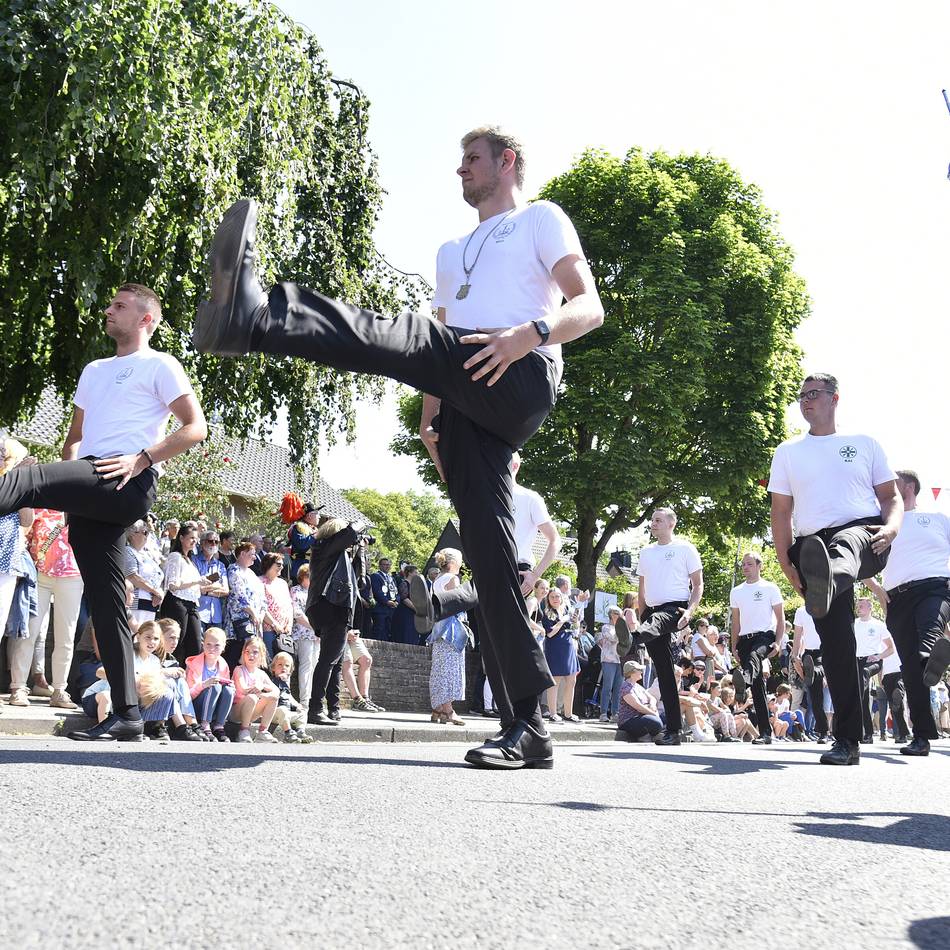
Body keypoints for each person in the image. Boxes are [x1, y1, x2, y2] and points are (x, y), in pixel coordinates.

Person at [193, 126, 603, 769]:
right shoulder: (451, 251)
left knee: (405, 333)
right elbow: (433, 349)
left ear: (508, 162)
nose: (461, 169)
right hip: (465, 399)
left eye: (472, 159)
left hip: (520, 371)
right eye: (460, 160)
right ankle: (529, 725)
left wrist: (529, 335)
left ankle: (259, 317)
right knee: (491, 562)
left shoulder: (541, 220)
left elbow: (589, 306)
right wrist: (431, 423)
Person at [0, 286, 207, 741]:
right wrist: (72, 488)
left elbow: (196, 427)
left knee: (27, 479)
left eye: (119, 306)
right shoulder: (94, 371)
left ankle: (129, 712)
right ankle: (130, 713)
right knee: (109, 605)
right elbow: (74, 437)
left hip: (126, 477)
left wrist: (143, 459)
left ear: (146, 319)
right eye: (110, 303)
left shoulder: (160, 364)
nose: (108, 310)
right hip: (92, 483)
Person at [768, 372, 902, 766]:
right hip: (812, 546)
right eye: (801, 396)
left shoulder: (864, 444)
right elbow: (781, 511)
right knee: (837, 647)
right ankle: (847, 741)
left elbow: (890, 498)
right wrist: (784, 560)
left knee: (844, 547)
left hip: (865, 534)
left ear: (834, 398)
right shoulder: (788, 452)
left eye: (813, 394)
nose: (805, 401)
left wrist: (893, 528)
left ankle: (825, 583)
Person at [868, 469, 950, 757]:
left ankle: (931, 656)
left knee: (928, 635)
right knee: (912, 670)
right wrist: (878, 591)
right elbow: (860, 562)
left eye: (895, 481)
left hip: (936, 587)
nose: (888, 485)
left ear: (910, 486)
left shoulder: (938, 519)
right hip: (897, 599)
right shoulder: (882, 523)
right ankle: (922, 737)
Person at [635, 508, 704, 746]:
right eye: (652, 520)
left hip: (675, 608)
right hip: (651, 613)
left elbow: (697, 585)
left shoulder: (685, 549)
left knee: (655, 624)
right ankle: (674, 731)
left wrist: (691, 611)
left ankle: (634, 636)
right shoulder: (646, 553)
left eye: (658, 520)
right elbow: (641, 588)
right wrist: (641, 613)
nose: (653, 524)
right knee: (664, 671)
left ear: (671, 524)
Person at [7, 505, 82, 710]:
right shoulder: (41, 507)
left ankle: (59, 689)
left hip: (72, 575)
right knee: (28, 633)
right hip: (39, 574)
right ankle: (18, 686)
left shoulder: (82, 509)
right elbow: (24, 536)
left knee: (66, 636)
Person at [303, 518, 369, 726]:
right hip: (331, 608)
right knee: (328, 660)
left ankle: (332, 708)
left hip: (336, 608)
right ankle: (315, 708)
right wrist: (358, 525)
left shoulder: (336, 555)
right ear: (336, 533)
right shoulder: (324, 547)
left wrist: (360, 551)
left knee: (336, 661)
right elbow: (347, 535)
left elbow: (359, 579)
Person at [729, 552, 785, 746]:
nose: (745, 567)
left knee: (755, 656)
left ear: (759, 566)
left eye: (749, 564)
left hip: (764, 636)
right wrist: (733, 645)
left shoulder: (770, 588)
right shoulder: (736, 591)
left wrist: (778, 642)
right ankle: (765, 733)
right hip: (744, 639)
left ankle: (743, 677)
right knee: (758, 688)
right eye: (743, 564)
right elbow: (735, 621)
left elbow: (780, 618)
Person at [510, 452, 562, 601]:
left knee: (510, 623)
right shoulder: (488, 495)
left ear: (515, 466)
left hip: (518, 571)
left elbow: (555, 540)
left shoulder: (530, 498)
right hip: (489, 566)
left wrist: (535, 575)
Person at [426, 548, 469, 726]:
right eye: (460, 561)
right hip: (451, 630)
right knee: (450, 670)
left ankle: (438, 709)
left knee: (440, 669)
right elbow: (457, 603)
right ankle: (449, 711)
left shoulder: (437, 579)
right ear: (453, 563)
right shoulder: (453, 579)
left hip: (439, 628)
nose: (461, 565)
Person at [158, 522, 208, 662]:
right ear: (181, 538)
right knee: (176, 641)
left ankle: (190, 676)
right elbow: (173, 585)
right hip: (177, 602)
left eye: (196, 538)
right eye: (191, 537)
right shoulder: (175, 556)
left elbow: (193, 587)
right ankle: (171, 669)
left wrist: (204, 584)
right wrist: (197, 582)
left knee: (196, 643)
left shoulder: (191, 561)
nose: (194, 541)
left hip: (192, 604)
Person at [155, 618, 206, 741]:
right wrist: (166, 672)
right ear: (160, 637)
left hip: (170, 702)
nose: (175, 642)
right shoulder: (151, 655)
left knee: (181, 681)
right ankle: (181, 726)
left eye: (177, 638)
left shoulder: (171, 658)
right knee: (169, 681)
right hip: (151, 700)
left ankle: (192, 723)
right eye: (171, 638)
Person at [852, 596, 893, 743]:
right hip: (856, 660)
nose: (859, 608)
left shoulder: (879, 625)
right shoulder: (853, 624)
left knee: (864, 674)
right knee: (863, 700)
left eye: (862, 605)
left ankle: (858, 693)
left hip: (873, 661)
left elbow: (891, 649)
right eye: (858, 605)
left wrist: (879, 656)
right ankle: (867, 734)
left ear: (870, 608)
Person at [184, 626, 235, 742]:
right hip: (196, 706)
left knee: (229, 690)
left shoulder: (223, 665)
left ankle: (219, 726)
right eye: (208, 644)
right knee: (215, 686)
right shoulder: (193, 664)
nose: (212, 648)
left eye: (217, 645)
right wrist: (203, 685)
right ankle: (204, 725)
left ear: (223, 647)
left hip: (214, 708)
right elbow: (188, 695)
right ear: (203, 644)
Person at [790, 604, 830, 742]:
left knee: (818, 669)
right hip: (808, 654)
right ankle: (823, 732)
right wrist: (795, 655)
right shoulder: (801, 611)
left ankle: (812, 672)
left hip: (824, 650)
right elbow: (797, 635)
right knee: (815, 698)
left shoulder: (826, 606)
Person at [224, 541, 267, 669]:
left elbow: (262, 598)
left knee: (252, 656)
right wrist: (253, 613)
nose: (255, 557)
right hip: (238, 624)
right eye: (252, 554)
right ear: (242, 554)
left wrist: (260, 615)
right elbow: (239, 596)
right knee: (235, 655)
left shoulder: (251, 573)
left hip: (254, 623)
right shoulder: (234, 570)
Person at [540, 588, 580, 723]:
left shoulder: (567, 611)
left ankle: (568, 713)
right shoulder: (547, 614)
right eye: (552, 597)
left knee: (571, 680)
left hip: (569, 647)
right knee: (555, 681)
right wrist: (562, 621)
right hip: (555, 648)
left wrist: (575, 621)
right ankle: (553, 713)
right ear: (549, 600)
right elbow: (550, 633)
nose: (556, 599)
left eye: (558, 596)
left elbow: (575, 630)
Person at [230, 635, 279, 742]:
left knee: (274, 697)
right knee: (251, 698)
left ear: (261, 655)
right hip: (235, 712)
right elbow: (243, 690)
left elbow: (276, 691)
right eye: (247, 651)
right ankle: (244, 731)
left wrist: (262, 687)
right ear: (243, 653)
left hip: (252, 710)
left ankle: (262, 731)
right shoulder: (239, 670)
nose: (250, 655)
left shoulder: (261, 674)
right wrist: (259, 693)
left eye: (255, 652)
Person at [290, 563, 319, 715]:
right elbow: (297, 614)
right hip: (303, 633)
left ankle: (313, 699)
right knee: (306, 666)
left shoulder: (316, 593)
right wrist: (315, 628)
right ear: (303, 577)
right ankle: (304, 701)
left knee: (315, 666)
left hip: (316, 636)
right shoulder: (295, 591)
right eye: (310, 576)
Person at [124, 519, 165, 624]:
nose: (147, 536)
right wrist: (154, 592)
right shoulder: (128, 551)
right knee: (136, 636)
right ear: (133, 534)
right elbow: (132, 576)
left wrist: (159, 593)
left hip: (151, 604)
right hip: (137, 603)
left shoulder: (147, 555)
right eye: (145, 532)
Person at [268, 652, 313, 743]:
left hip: (286, 714)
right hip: (274, 713)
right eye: (280, 665)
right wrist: (278, 680)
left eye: (287, 666)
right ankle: (288, 733)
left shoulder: (285, 684)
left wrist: (297, 705)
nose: (283, 667)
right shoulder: (272, 681)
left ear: (290, 670)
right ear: (273, 668)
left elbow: (289, 697)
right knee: (282, 710)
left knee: (303, 713)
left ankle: (300, 731)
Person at [614, 660, 663, 741]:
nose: (641, 672)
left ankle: (648, 735)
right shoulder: (626, 688)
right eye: (639, 670)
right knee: (656, 722)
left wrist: (652, 705)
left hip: (643, 715)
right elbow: (638, 707)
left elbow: (652, 698)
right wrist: (653, 713)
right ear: (632, 672)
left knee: (664, 718)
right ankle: (647, 735)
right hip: (629, 720)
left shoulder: (637, 686)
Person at [193, 529, 230, 632]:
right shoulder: (193, 561)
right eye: (210, 541)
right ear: (203, 542)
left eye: (216, 542)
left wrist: (206, 591)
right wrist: (216, 586)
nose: (213, 544)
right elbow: (195, 587)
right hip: (198, 612)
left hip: (216, 614)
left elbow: (226, 591)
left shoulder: (220, 565)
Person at [260, 552, 293, 660]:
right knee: (270, 661)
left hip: (285, 632)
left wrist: (289, 625)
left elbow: (289, 606)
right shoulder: (259, 582)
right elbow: (261, 607)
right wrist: (274, 625)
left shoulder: (283, 583)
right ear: (268, 564)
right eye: (278, 564)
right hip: (268, 630)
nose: (282, 567)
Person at [597, 605, 623, 722]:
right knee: (608, 687)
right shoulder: (606, 627)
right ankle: (603, 713)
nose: (620, 617)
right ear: (612, 615)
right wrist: (621, 629)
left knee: (618, 688)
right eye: (618, 614)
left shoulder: (623, 628)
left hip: (619, 660)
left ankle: (615, 713)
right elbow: (613, 638)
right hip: (608, 660)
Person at [369, 557, 398, 641]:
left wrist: (397, 601)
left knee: (388, 630)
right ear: (380, 566)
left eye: (388, 565)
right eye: (385, 565)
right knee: (379, 630)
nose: (387, 566)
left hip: (391, 609)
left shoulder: (391, 578)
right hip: (380, 609)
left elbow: (396, 592)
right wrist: (386, 601)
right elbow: (377, 591)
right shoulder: (375, 576)